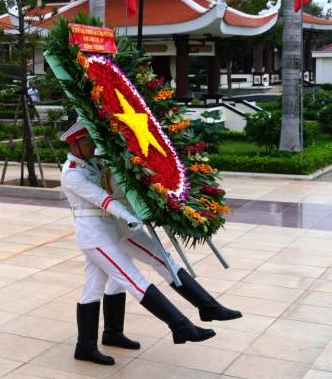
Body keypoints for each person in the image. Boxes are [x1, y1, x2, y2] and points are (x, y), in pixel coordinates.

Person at [59, 120, 240, 365]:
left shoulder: (94, 161)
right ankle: (180, 326)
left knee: (154, 261)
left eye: (94, 141)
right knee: (132, 279)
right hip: (95, 235)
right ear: (75, 144)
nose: (93, 146)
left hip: (115, 229)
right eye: (89, 142)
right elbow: (103, 198)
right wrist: (128, 216)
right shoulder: (72, 173)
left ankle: (105, 336)